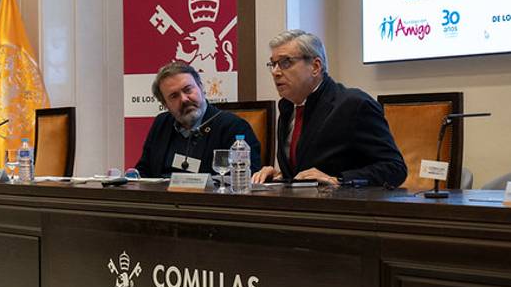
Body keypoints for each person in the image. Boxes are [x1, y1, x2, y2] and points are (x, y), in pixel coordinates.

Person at [251, 30, 407, 188]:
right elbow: (304, 173)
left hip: (342, 208)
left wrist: (340, 180)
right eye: (273, 64)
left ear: (315, 66)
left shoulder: (353, 105)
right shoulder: (288, 108)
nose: (276, 72)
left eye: (286, 62)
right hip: (301, 208)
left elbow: (394, 168)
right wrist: (281, 176)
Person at [135, 62, 261, 178]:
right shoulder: (162, 123)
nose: (184, 99)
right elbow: (144, 170)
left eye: (188, 89)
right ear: (165, 104)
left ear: (201, 87)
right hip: (162, 200)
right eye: (174, 96)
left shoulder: (233, 127)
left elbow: (247, 176)